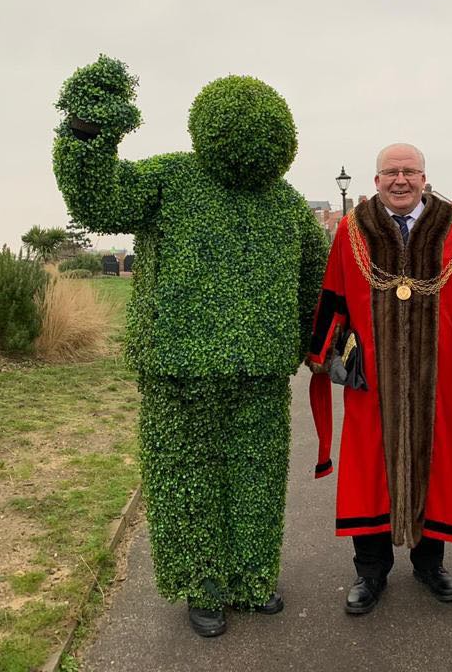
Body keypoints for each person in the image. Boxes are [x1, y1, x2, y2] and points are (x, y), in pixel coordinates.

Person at [52, 56, 328, 637]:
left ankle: (251, 577)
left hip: (260, 368)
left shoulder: (285, 204)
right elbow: (99, 200)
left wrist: (314, 345)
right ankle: (202, 582)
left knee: (257, 475)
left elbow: (313, 280)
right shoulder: (170, 179)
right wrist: (87, 131)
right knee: (185, 475)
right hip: (176, 366)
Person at [307, 142, 452, 615]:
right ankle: (370, 572)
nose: (400, 180)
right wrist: (332, 354)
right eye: (390, 172)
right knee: (369, 470)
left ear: (424, 178)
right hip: (374, 382)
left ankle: (430, 565)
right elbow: (335, 294)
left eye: (409, 171)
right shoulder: (353, 230)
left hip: (440, 379)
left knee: (437, 466)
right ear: (376, 181)